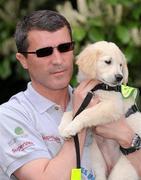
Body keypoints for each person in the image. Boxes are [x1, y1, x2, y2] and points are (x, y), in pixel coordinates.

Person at [0, 10, 141, 180]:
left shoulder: (102, 102)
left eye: (65, 48)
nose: (58, 60)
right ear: (23, 60)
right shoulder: (10, 116)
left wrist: (128, 139)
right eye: (44, 52)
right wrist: (80, 117)